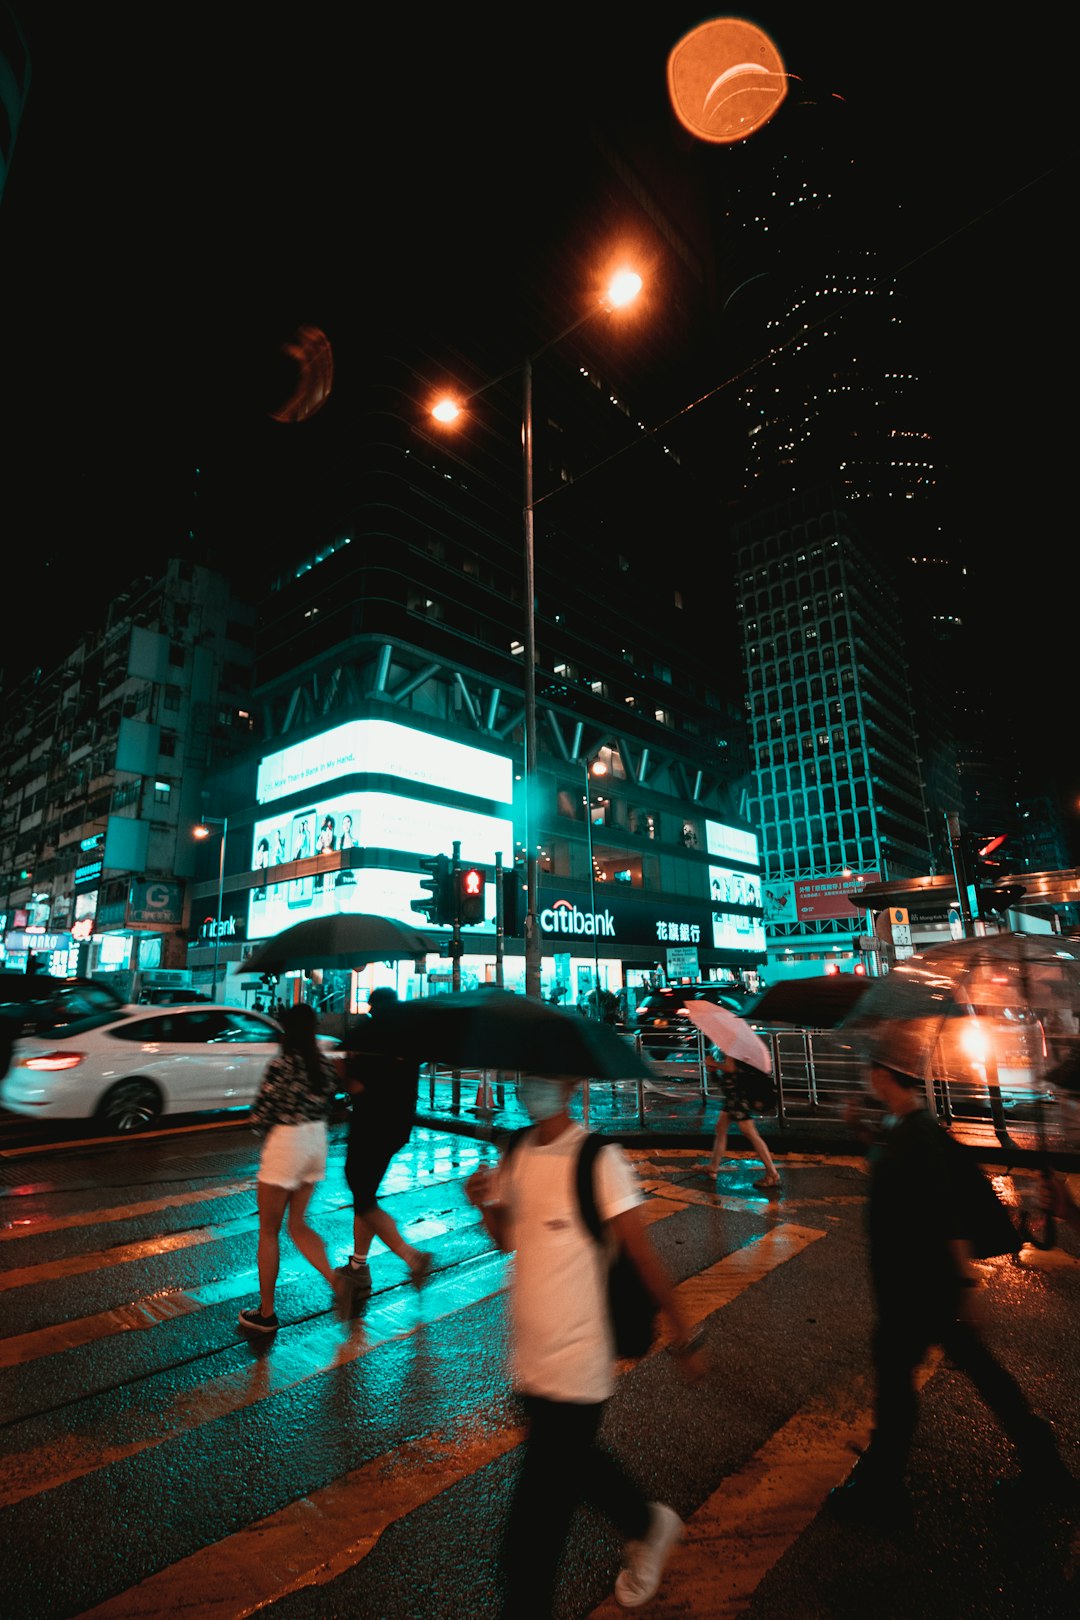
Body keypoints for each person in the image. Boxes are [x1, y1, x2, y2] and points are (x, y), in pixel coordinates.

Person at [465, 1074, 708, 1617]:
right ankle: (648, 1523)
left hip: (580, 1358)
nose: (533, 1087)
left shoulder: (599, 1158)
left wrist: (684, 1330)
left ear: (573, 1085)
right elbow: (508, 1240)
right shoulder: (517, 1149)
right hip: (529, 1358)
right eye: (528, 1076)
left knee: (535, 1523)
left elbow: (642, 1254)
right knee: (576, 1468)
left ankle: (529, 1600)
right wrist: (484, 1203)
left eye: (546, 1078)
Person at [828, 1053, 1074, 1525]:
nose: (867, 1080)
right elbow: (888, 1172)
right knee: (980, 1373)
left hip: (920, 1287)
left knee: (898, 1379)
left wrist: (966, 1286)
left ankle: (883, 1491)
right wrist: (860, 1129)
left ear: (883, 1076)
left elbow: (947, 1214)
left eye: (870, 1073)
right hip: (916, 1284)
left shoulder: (918, 1135)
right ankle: (1044, 1463)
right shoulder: (901, 1128)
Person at [239, 1003, 347, 1335]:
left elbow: (260, 1115)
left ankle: (267, 1313)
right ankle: (337, 1281)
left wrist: (258, 1126)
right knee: (298, 1224)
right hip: (316, 1142)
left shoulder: (281, 1065)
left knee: (269, 1232)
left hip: (286, 1144)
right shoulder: (324, 1067)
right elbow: (333, 1103)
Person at [337, 987, 433, 1291]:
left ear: (375, 1007)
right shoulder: (411, 1036)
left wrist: (341, 1071)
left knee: (363, 1198)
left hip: (370, 1126)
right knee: (366, 1193)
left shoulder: (369, 1036)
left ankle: (412, 1256)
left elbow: (355, 1086)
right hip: (398, 1127)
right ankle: (358, 1265)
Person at [705, 1049, 780, 1190]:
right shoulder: (728, 1047)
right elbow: (724, 1076)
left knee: (750, 1133)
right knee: (721, 1128)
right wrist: (712, 1068)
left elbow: (730, 1068)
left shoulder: (733, 1047)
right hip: (732, 1098)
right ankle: (713, 1167)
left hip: (738, 1098)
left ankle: (772, 1173)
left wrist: (714, 1063)